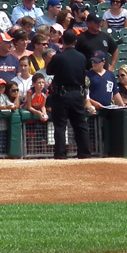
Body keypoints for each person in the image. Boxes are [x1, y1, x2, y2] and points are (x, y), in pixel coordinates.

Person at [44, 29, 91, 159]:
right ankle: (85, 153)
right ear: (75, 41)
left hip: (62, 94)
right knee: (80, 125)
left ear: (63, 41)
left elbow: (49, 71)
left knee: (60, 126)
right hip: (78, 94)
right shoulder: (82, 57)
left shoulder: (58, 57)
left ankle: (60, 155)